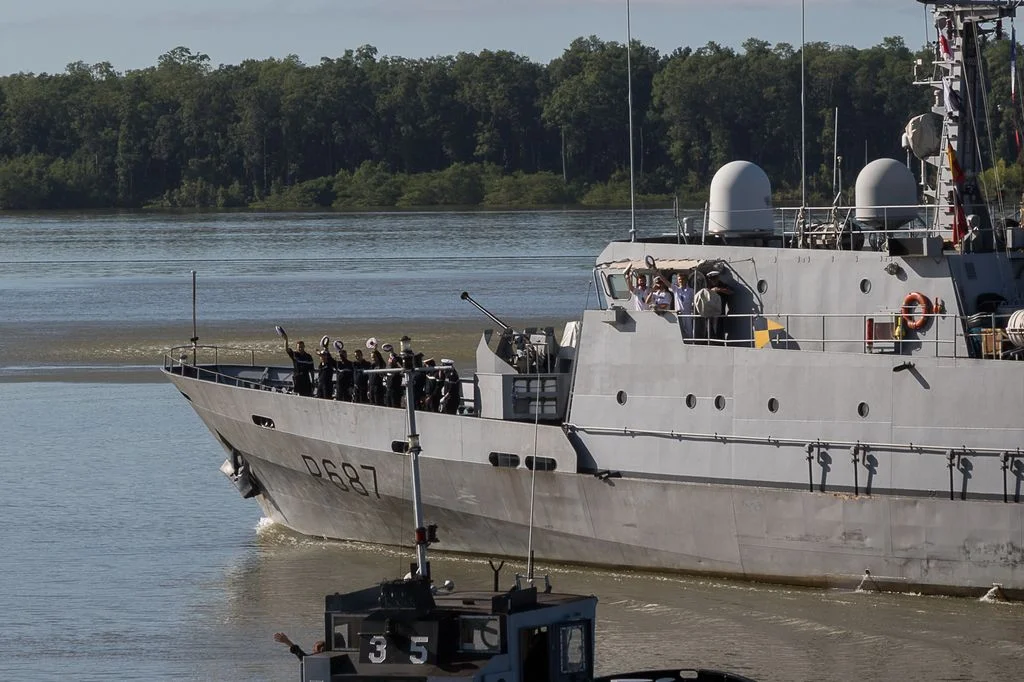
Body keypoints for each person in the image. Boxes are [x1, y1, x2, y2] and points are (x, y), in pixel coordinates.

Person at [669, 272, 695, 338]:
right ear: (677, 280)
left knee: (689, 333)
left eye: (683, 279)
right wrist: (658, 273)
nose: (681, 281)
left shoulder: (691, 290)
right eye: (680, 279)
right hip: (679, 315)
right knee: (679, 334)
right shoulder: (676, 289)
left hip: (688, 315)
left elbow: (695, 301)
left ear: (686, 280)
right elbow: (667, 283)